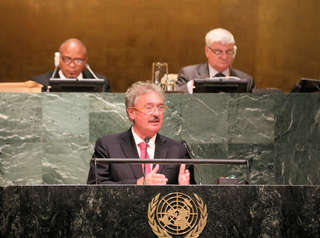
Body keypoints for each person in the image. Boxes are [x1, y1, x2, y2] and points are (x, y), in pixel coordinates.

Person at [87, 81, 195, 185]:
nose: (156, 113)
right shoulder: (108, 146)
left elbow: (195, 196)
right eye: (149, 108)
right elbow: (95, 186)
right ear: (132, 113)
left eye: (160, 107)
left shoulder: (178, 149)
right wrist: (138, 183)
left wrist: (186, 188)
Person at [177, 28, 254, 92]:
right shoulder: (188, 74)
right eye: (218, 52)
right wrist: (191, 85)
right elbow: (175, 101)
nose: (224, 57)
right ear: (207, 51)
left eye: (229, 51)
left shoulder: (246, 80)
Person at [31, 38, 110, 92]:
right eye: (67, 59)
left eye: (78, 60)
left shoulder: (100, 84)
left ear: (85, 61)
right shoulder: (40, 83)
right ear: (59, 59)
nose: (72, 65)